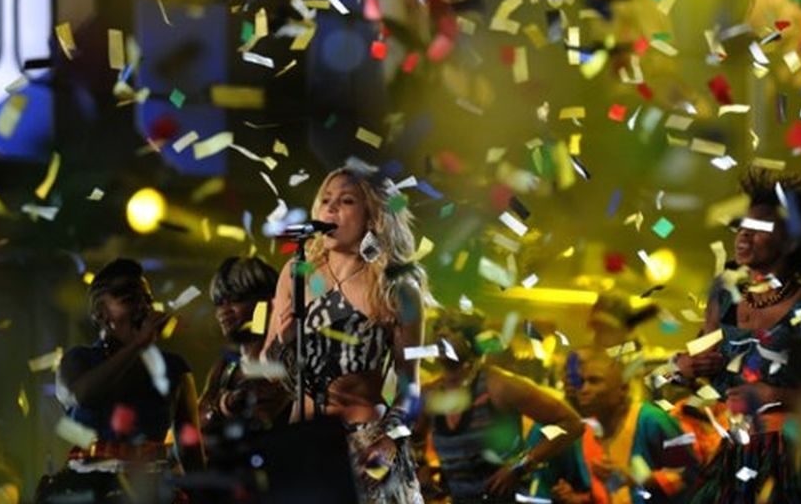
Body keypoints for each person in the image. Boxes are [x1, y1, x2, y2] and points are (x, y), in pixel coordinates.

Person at [674, 169, 801, 503]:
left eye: (760, 229)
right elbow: (698, 372)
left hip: (796, 456)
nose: (743, 237)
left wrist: (777, 395)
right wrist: (684, 367)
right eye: (742, 227)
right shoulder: (723, 295)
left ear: (791, 241)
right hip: (736, 455)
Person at [262, 162, 431, 503]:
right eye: (326, 199)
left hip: (366, 445)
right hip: (305, 443)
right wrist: (284, 340)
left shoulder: (397, 288)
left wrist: (390, 442)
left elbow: (410, 387)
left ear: (373, 215)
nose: (331, 207)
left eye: (347, 200)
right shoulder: (297, 273)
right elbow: (269, 368)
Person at [37, 258, 205, 503]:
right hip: (86, 490)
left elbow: (192, 454)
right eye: (130, 300)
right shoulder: (77, 360)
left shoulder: (174, 368)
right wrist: (138, 345)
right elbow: (80, 396)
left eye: (147, 299)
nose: (143, 307)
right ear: (100, 313)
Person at [421, 309, 583, 504]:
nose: (441, 334)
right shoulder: (429, 393)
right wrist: (420, 469)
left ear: (471, 340)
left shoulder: (498, 386)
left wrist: (520, 466)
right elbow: (411, 441)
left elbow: (571, 423)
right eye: (437, 328)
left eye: (453, 329)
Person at [545, 350, 699, 504]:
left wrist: (637, 478)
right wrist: (577, 499)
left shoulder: (652, 420)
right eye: (581, 382)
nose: (584, 390)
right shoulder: (588, 432)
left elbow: (693, 476)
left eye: (594, 381)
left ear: (623, 389)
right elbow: (612, 494)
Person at [200, 256, 291, 433]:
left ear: (269, 300)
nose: (224, 311)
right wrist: (225, 404)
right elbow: (196, 420)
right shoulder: (226, 368)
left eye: (235, 299)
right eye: (219, 302)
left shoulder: (291, 357)